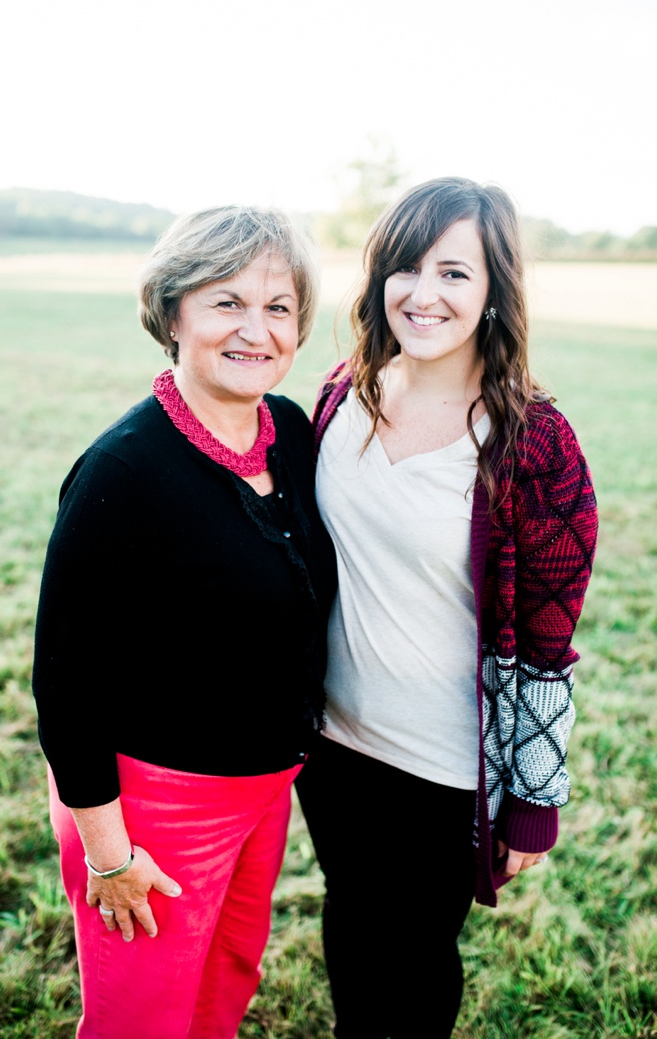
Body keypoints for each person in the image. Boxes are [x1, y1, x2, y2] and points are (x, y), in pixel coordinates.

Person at [297, 177, 599, 1037]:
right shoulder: (342, 391)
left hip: (443, 766)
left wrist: (535, 796)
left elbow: (550, 635)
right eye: (405, 267)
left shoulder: (533, 440)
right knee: (352, 922)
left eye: (454, 273)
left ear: (496, 289)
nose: (423, 294)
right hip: (331, 744)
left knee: (419, 959)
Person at [32, 206, 337, 1038]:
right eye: (226, 302)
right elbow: (63, 680)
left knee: (225, 985)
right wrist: (109, 853)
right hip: (155, 805)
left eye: (278, 307)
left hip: (266, 789)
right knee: (143, 1017)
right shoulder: (124, 471)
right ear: (174, 314)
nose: (256, 330)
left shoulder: (294, 434)